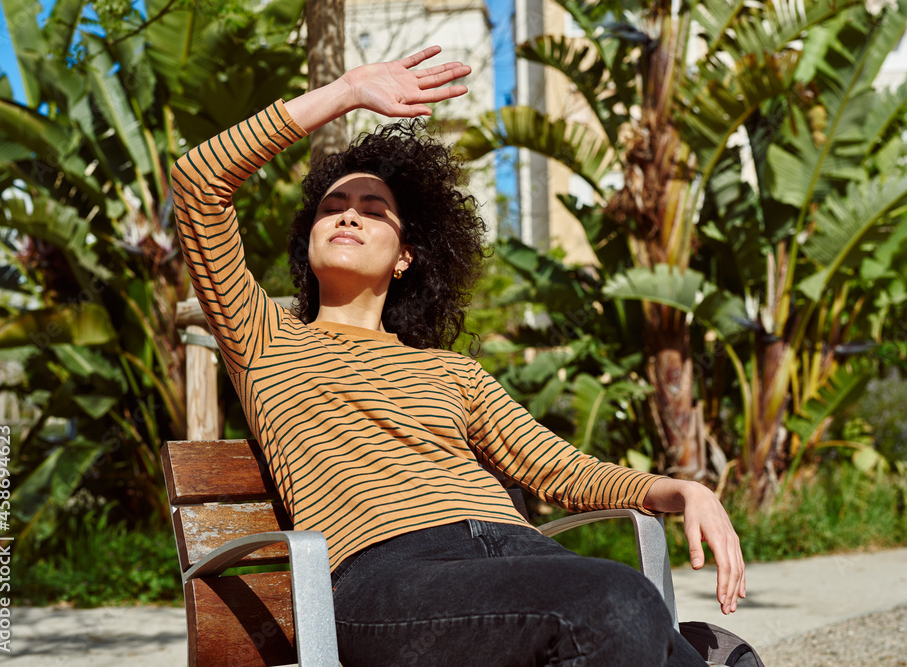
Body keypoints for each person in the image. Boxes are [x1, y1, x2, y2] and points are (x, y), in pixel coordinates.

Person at [171, 46, 745, 667]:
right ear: (307, 239)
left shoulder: (451, 370)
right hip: (390, 581)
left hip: (524, 562)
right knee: (617, 603)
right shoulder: (267, 340)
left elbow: (562, 470)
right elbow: (198, 183)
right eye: (332, 207)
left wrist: (680, 490)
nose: (348, 216)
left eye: (372, 210)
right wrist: (346, 91)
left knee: (711, 651)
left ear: (405, 256)